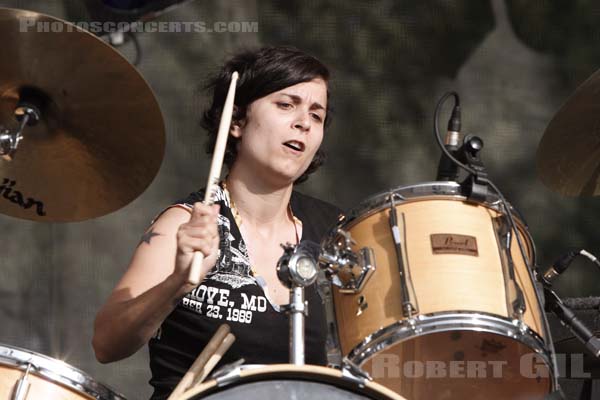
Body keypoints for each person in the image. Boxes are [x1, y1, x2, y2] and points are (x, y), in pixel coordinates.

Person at [92, 45, 341, 399]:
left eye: (317, 115)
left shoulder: (337, 234)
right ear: (237, 122)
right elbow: (106, 343)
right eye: (286, 105)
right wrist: (177, 282)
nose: (304, 121)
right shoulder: (185, 223)